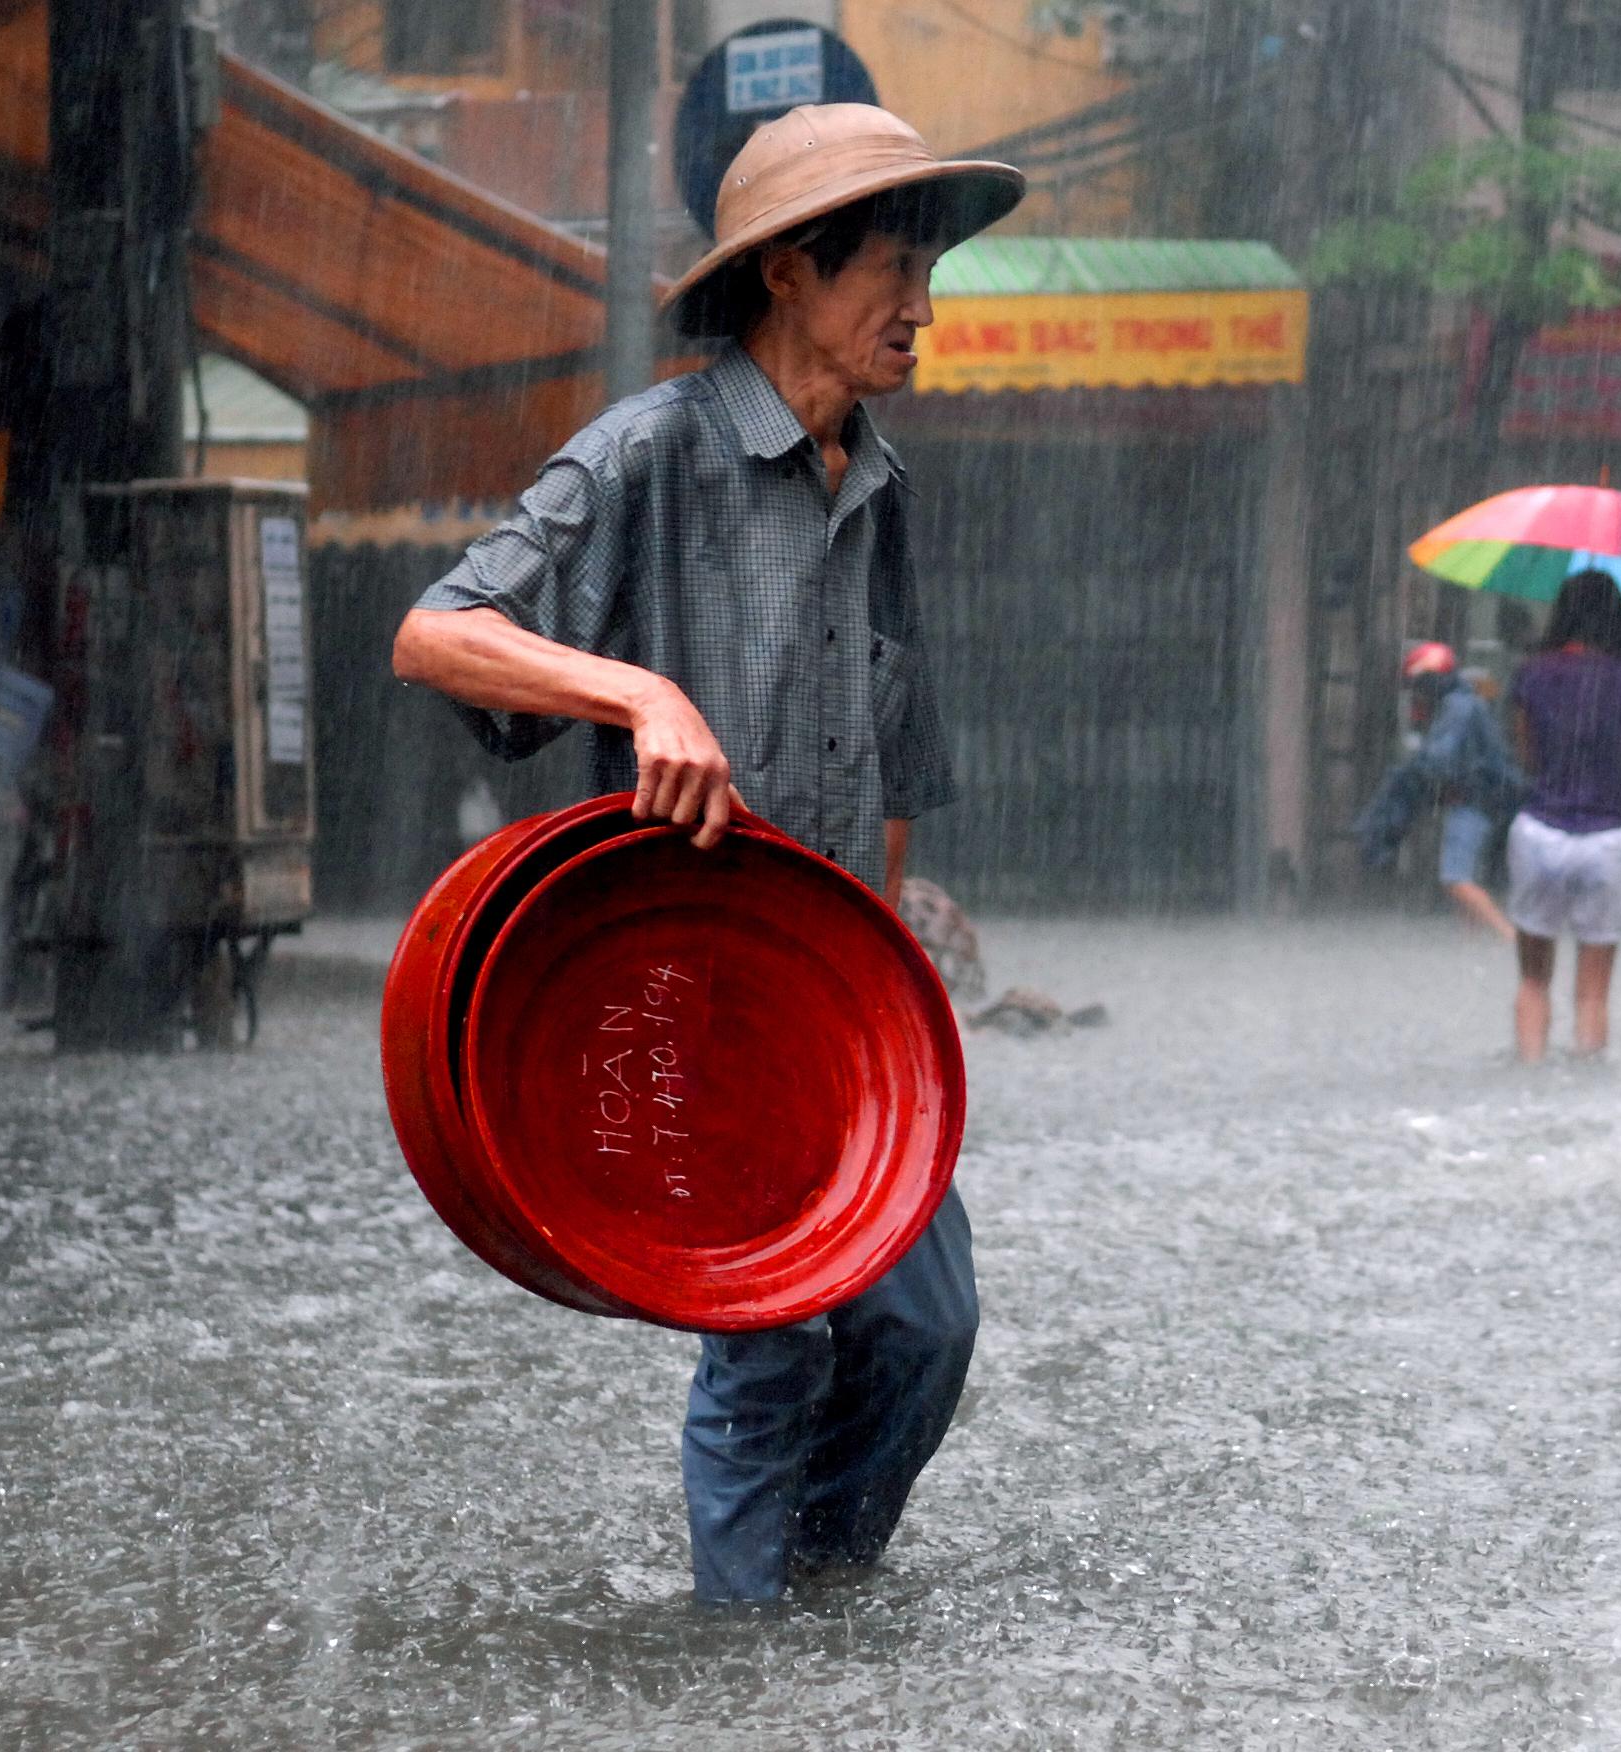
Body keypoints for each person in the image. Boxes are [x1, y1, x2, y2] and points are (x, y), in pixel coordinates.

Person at [390, 104, 1023, 1604]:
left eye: (928, 273)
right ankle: (741, 1667)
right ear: (790, 272)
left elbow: (898, 760)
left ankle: (820, 1602)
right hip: (697, 990)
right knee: (772, 1344)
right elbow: (436, 634)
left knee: (928, 1327)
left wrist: (898, 1008)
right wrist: (638, 689)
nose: (922, 309)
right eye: (892, 268)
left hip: (847, 1007)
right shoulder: (646, 457)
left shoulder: (882, 486)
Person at [1505, 570, 1621, 1061]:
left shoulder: (1532, 672)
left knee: (1534, 981)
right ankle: (1586, 1083)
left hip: (1541, 833)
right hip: (1609, 839)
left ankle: (1530, 1075)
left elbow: (1527, 756)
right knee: (1593, 993)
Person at [1351, 640, 1523, 939]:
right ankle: (1473, 941)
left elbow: (1439, 759)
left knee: (1455, 878)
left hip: (1474, 803)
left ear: (1429, 682)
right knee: (1465, 877)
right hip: (1477, 801)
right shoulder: (1461, 703)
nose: (1416, 696)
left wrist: (1409, 780)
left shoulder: (1458, 708)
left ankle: (1509, 937)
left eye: (1417, 687)